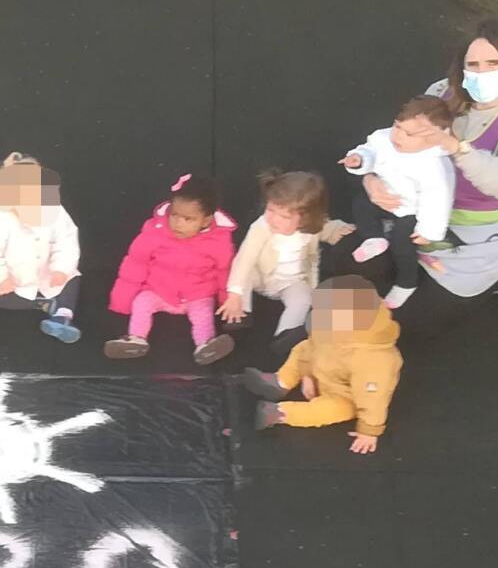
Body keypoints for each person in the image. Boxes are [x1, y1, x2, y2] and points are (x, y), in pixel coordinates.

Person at [361, 18, 498, 322]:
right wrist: (372, 177)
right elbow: (400, 138)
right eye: (474, 65)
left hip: (479, 223)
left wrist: (457, 148)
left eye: (493, 64)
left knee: (409, 323)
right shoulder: (443, 92)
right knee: (352, 264)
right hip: (426, 204)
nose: (482, 74)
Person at [239, 275, 402, 455]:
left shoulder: (375, 360)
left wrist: (369, 431)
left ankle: (279, 413)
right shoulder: (330, 324)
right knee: (301, 349)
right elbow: (311, 347)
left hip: (345, 394)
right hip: (321, 366)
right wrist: (307, 375)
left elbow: (373, 398)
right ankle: (281, 382)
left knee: (331, 409)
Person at [339, 95, 457, 309]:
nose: (398, 135)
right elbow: (369, 151)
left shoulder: (432, 166)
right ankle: (374, 238)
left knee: (402, 243)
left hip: (412, 210)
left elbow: (437, 200)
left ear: (432, 139)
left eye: (409, 134)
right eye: (397, 126)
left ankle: (406, 282)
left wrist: (429, 231)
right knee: (361, 204)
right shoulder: (383, 139)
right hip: (387, 196)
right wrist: (359, 159)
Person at [220, 170, 354, 358]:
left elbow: (329, 228)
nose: (273, 219)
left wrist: (342, 229)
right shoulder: (261, 227)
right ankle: (241, 315)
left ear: (306, 218)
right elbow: (245, 259)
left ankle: (285, 334)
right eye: (270, 210)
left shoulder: (313, 227)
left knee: (303, 299)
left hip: (292, 282)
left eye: (284, 217)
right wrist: (235, 294)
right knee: (244, 274)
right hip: (262, 279)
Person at [104, 174, 237, 364]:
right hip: (159, 291)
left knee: (203, 314)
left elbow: (225, 272)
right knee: (141, 303)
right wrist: (121, 302)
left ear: (206, 220)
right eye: (174, 215)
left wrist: (227, 303)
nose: (178, 223)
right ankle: (135, 339)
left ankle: (205, 345)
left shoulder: (219, 241)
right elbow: (136, 263)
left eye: (188, 219)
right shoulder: (155, 231)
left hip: (197, 295)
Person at [0, 153, 83, 343]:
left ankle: (62, 316)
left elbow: (66, 240)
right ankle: (43, 303)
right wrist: (0, 278)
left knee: (71, 281)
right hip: (15, 278)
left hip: (47, 273)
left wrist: (61, 269)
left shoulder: (55, 211)